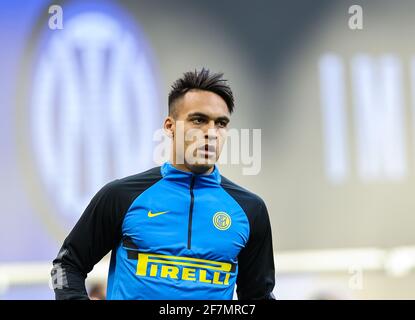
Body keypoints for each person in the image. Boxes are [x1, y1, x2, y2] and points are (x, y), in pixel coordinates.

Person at [51, 68, 275, 300]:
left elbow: (258, 295)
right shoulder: (121, 196)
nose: (211, 133)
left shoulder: (250, 210)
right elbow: (64, 267)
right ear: (170, 126)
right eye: (198, 120)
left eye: (220, 123)